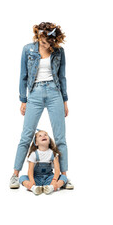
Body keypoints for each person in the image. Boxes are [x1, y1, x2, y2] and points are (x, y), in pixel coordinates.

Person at [10, 22, 73, 189]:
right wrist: (23, 100)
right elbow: (23, 76)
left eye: (50, 42)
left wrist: (65, 101)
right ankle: (15, 175)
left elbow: (62, 76)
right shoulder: (27, 49)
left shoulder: (59, 51)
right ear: (38, 36)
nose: (46, 45)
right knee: (26, 136)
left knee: (60, 138)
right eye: (44, 41)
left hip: (54, 93)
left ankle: (64, 177)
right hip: (35, 94)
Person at [19, 130, 68, 195]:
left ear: (49, 140)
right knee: (22, 178)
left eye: (45, 135)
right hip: (36, 178)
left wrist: (54, 180)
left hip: (49, 178)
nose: (43, 136)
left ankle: (52, 187)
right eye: (40, 136)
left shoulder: (53, 153)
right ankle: (34, 188)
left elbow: (57, 169)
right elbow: (30, 170)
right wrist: (32, 181)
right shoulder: (33, 154)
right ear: (36, 143)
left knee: (64, 177)